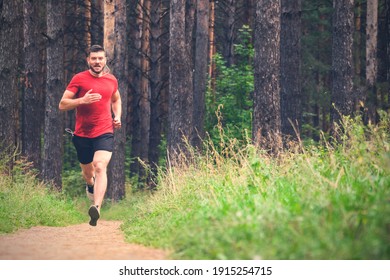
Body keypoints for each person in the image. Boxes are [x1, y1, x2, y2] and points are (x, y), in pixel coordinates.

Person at [59, 45, 122, 226]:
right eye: (93, 58)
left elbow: (116, 99)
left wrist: (117, 116)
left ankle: (96, 208)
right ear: (88, 60)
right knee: (88, 173)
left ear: (105, 60)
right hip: (82, 134)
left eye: (100, 58)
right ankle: (90, 185)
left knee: (100, 166)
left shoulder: (111, 80)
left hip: (104, 131)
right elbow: (62, 104)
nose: (97, 62)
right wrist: (82, 100)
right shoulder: (79, 79)